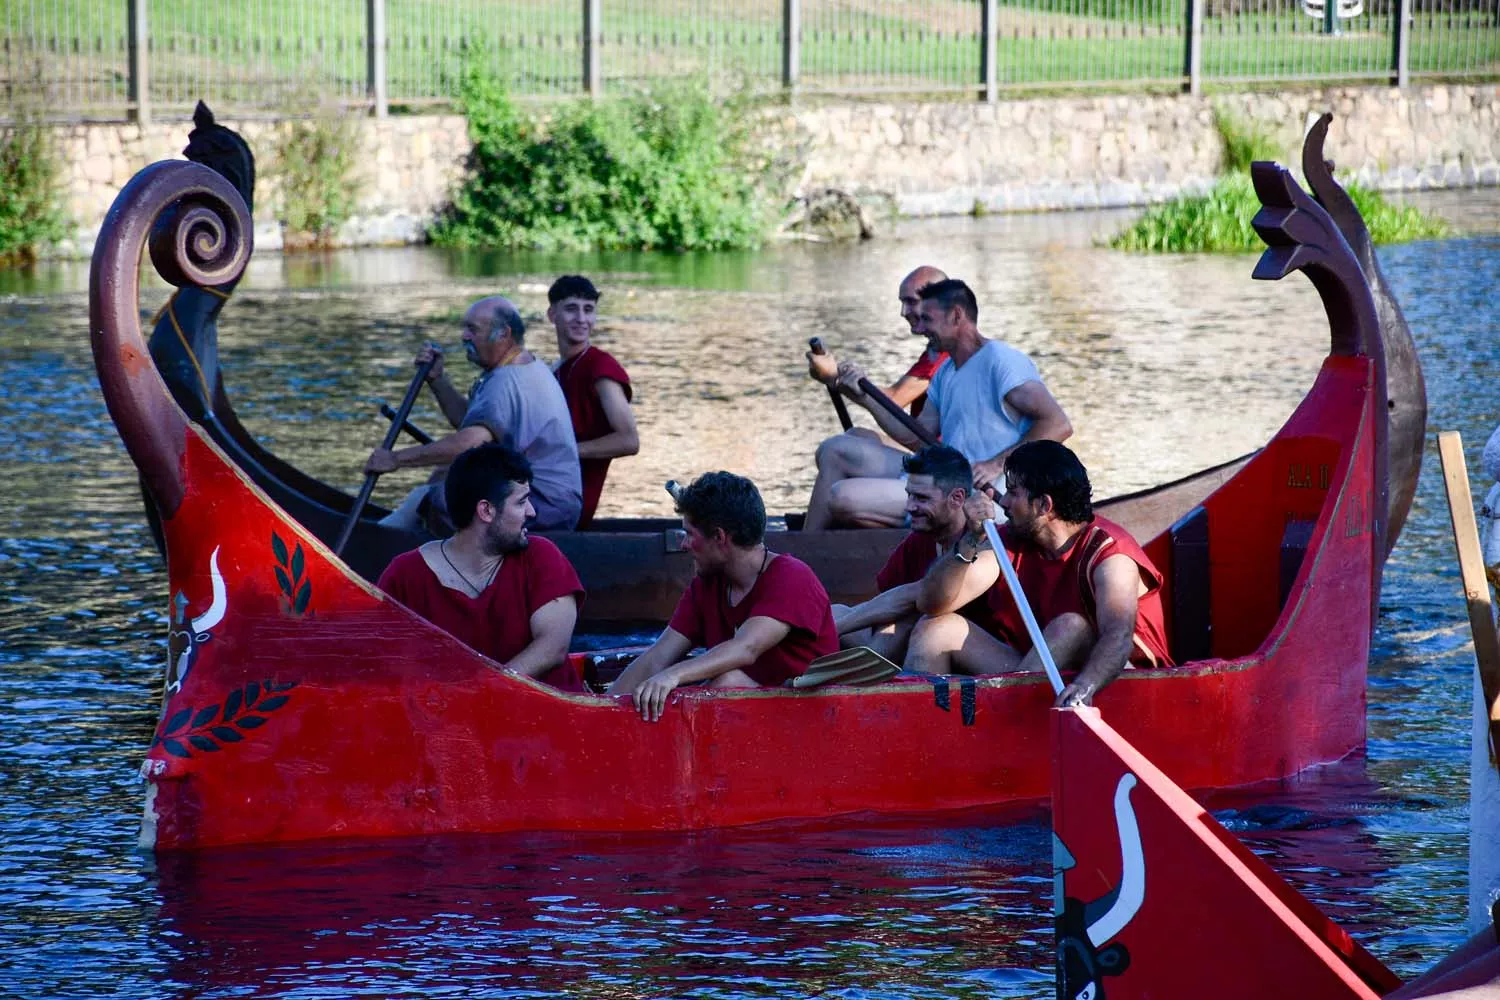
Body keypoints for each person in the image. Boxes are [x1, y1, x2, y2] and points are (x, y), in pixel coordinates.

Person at [905, 440, 1173, 707]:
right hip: (1035, 674)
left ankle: (998, 720)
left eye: (1012, 492)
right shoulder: (1011, 539)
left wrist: (1083, 687)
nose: (1004, 502)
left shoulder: (1111, 556)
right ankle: (919, 735)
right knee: (935, 629)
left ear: (1044, 505)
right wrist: (969, 541)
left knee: (1070, 627)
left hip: (1124, 687)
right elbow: (931, 602)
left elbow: (1118, 637)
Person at [811, 279, 1073, 529]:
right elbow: (915, 438)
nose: (920, 328)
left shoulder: (1001, 361)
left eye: (928, 319)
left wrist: (996, 464)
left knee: (842, 497)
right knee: (834, 449)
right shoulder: (946, 371)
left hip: (980, 497)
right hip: (942, 477)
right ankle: (803, 549)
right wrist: (860, 393)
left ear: (956, 316)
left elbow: (1058, 424)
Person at [607, 471, 839, 721]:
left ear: (719, 537)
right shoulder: (706, 585)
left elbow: (745, 648)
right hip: (750, 718)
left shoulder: (793, 578)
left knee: (729, 681)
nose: (684, 545)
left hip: (811, 719)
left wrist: (673, 675)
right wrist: (601, 708)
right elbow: (657, 657)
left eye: (690, 534)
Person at [377, 443, 586, 690]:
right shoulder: (405, 575)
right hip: (447, 724)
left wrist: (481, 693)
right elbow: (383, 660)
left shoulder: (541, 556)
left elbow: (552, 648)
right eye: (521, 502)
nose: (532, 512)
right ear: (486, 510)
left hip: (552, 721)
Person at [368, 296, 583, 532]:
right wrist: (437, 379)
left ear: (503, 334)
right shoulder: (523, 365)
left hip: (544, 507)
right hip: (553, 502)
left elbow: (468, 443)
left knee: (442, 499)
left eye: (472, 329)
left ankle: (394, 542)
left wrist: (396, 459)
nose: (464, 336)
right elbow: (468, 421)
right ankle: (390, 534)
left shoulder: (506, 381)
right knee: (445, 475)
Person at [803, 265, 949, 530]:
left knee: (837, 450)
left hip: (943, 469)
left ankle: (806, 545)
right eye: (902, 302)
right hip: (930, 452)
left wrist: (835, 376)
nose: (903, 312)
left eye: (910, 302)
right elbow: (899, 415)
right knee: (858, 435)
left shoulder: (948, 354)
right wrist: (835, 379)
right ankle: (813, 533)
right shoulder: (934, 350)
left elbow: (892, 401)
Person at [833, 444, 991, 662]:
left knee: (910, 620)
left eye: (921, 498)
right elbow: (887, 607)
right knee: (835, 611)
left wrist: (831, 629)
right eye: (909, 496)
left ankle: (859, 677)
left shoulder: (987, 542)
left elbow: (914, 596)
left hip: (966, 654)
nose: (909, 506)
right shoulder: (918, 541)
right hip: (914, 645)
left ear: (956, 498)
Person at [547, 275, 639, 530]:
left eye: (588, 310)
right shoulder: (555, 372)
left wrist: (565, 451)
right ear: (551, 315)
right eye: (571, 309)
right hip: (544, 490)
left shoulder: (600, 366)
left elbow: (629, 440)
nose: (581, 319)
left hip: (569, 506)